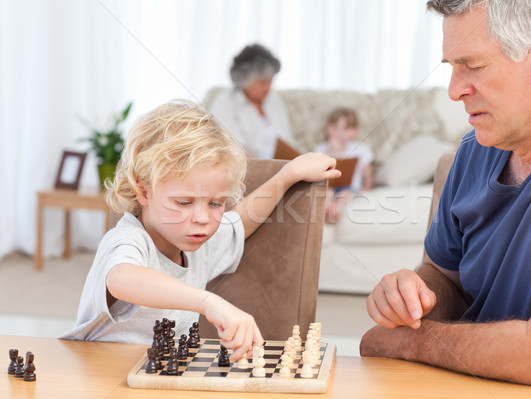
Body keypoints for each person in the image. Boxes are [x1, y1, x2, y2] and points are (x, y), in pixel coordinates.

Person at [360, 0, 531, 388]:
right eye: (451, 67)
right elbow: (447, 279)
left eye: (473, 65)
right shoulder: (475, 150)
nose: (455, 91)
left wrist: (410, 342)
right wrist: (414, 293)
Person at [60, 100, 340, 361]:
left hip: (156, 381)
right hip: (99, 377)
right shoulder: (129, 239)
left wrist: (289, 174)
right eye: (184, 202)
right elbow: (121, 278)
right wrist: (209, 302)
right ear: (143, 190)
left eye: (216, 203)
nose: (203, 219)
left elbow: (240, 221)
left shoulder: (199, 243)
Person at [210, 44, 295, 159]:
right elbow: (231, 148)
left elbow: (288, 141)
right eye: (263, 82)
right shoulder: (225, 103)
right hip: (250, 167)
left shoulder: (274, 101)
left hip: (282, 165)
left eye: (271, 81)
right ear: (244, 80)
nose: (268, 87)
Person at [314, 107, 374, 223]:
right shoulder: (320, 149)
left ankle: (335, 213)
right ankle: (325, 211)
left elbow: (368, 179)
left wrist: (365, 190)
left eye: (345, 129)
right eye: (335, 127)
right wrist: (333, 151)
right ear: (327, 128)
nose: (339, 133)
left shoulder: (361, 150)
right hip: (327, 186)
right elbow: (316, 173)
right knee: (327, 193)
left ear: (355, 131)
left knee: (344, 195)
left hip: (350, 188)